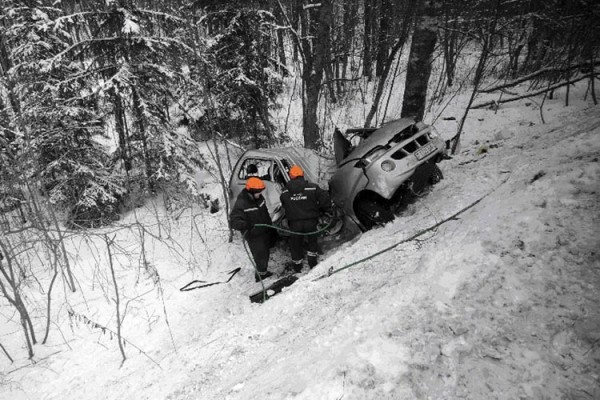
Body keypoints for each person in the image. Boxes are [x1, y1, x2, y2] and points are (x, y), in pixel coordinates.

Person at [280, 165, 331, 273]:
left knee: (295, 244)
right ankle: (312, 262)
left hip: (294, 223)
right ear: (302, 175)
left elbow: (283, 205)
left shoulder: (284, 191)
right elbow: (325, 198)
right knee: (312, 241)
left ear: (291, 176)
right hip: (311, 221)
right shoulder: (312, 187)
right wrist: (322, 210)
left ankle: (297, 267)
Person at [229, 177, 275, 282]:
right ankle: (260, 277)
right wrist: (246, 225)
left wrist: (269, 225)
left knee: (265, 253)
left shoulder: (259, 198)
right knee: (260, 255)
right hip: (253, 234)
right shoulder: (242, 203)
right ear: (251, 191)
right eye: (258, 192)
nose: (260, 193)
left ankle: (263, 272)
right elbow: (233, 221)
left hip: (264, 230)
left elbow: (264, 212)